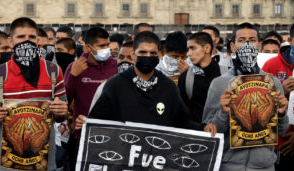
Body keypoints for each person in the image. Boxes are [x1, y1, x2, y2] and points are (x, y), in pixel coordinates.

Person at [203, 22, 289, 171]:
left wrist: (281, 114)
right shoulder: (219, 84)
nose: (247, 45)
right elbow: (209, 130)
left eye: (252, 40)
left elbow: (281, 131)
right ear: (233, 46)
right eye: (242, 40)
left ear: (259, 45)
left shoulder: (273, 82)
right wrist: (224, 112)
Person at [76, 31, 217, 135]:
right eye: (142, 53)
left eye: (152, 53)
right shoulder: (115, 85)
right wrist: (86, 123)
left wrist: (202, 128)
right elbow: (98, 121)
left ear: (159, 55)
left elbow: (181, 120)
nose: (148, 57)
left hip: (155, 163)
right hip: (123, 163)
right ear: (133, 55)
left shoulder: (168, 86)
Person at [0, 17, 68, 171]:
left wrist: (61, 111)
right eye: (21, 37)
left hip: (46, 167)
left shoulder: (53, 71)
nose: (26, 41)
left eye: (31, 36)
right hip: (9, 168)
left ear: (38, 40)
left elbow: (63, 113)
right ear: (11, 41)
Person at [64, 26, 117, 171]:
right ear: (87, 47)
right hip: (83, 136)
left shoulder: (115, 65)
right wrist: (73, 76)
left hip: (111, 136)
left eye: (107, 45)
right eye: (101, 46)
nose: (106, 49)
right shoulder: (74, 67)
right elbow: (64, 100)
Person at [262, 23, 294, 171]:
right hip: (279, 146)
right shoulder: (271, 65)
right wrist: (281, 89)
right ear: (290, 40)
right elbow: (257, 106)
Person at [178, 32, 221, 124]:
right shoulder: (185, 77)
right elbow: (182, 111)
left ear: (207, 48)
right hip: (198, 133)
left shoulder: (226, 73)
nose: (189, 54)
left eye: (193, 48)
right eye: (188, 49)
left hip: (224, 133)